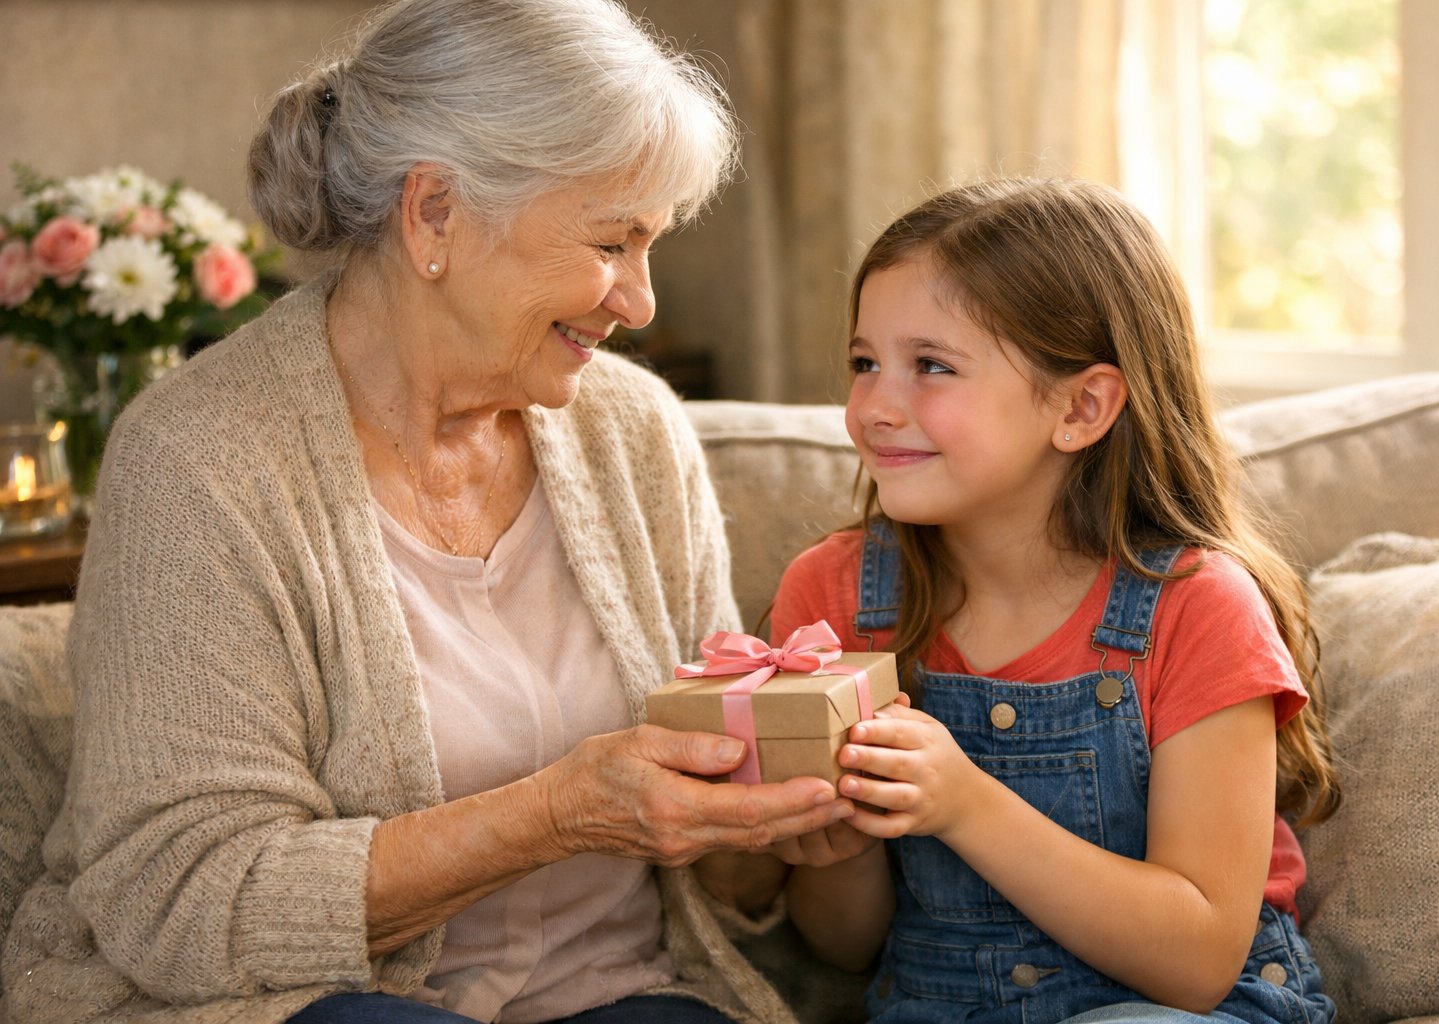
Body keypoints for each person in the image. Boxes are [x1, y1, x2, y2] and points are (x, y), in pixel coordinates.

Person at [0, 2, 854, 1022]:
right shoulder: (199, 463)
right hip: (322, 1000)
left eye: (652, 246)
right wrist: (556, 814)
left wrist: (770, 829)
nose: (642, 301)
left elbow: (718, 876)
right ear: (435, 214)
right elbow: (181, 902)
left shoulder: (634, 431)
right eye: (613, 243)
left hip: (624, 991)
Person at [767, 177, 1341, 1024]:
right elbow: (846, 946)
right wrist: (837, 852)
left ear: (1081, 406)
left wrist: (965, 805)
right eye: (864, 363)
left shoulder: (1199, 608)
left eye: (931, 366)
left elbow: (1197, 965)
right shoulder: (831, 596)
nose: (874, 408)